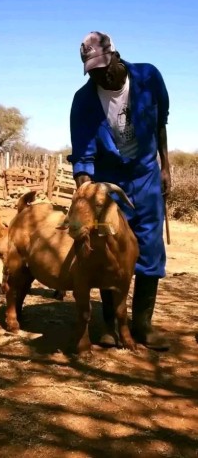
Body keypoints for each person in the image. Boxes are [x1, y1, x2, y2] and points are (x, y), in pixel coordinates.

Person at [67, 31, 171, 351]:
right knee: (110, 250)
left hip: (146, 176)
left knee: (150, 249)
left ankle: (142, 324)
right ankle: (110, 324)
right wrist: (86, 195)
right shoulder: (84, 101)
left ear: (115, 54)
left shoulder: (148, 77)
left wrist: (165, 166)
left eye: (102, 66)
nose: (99, 74)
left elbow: (160, 124)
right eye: (92, 70)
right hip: (110, 183)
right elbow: (84, 157)